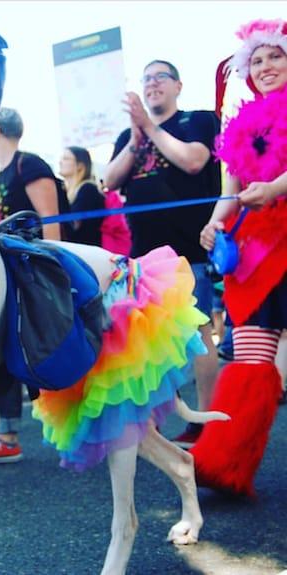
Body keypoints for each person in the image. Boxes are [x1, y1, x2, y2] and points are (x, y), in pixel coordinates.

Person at [191, 18, 287, 497]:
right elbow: (229, 191)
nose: (265, 66)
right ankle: (225, 466)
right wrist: (215, 222)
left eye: (276, 56)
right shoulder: (240, 124)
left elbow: (269, 185)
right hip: (254, 251)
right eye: (258, 59)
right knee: (250, 357)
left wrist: (275, 187)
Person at [104, 59, 221, 448]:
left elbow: (194, 161)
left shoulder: (197, 121)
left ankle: (207, 420)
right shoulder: (130, 135)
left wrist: (150, 127)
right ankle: (157, 418)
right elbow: (110, 180)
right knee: (150, 339)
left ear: (178, 85)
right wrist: (136, 138)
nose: (152, 83)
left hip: (188, 249)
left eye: (160, 77)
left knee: (199, 332)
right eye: (146, 78)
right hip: (142, 255)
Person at [0, 107, 70, 463]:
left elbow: (52, 224)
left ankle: (76, 424)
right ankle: (6, 434)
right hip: (6, 274)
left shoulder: (29, 165)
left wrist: (53, 274)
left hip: (33, 272)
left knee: (47, 349)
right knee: (5, 350)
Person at [58, 146, 105, 246]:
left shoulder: (87, 189)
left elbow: (74, 225)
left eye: (66, 159)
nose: (60, 162)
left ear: (80, 165)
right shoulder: (68, 190)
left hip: (86, 250)